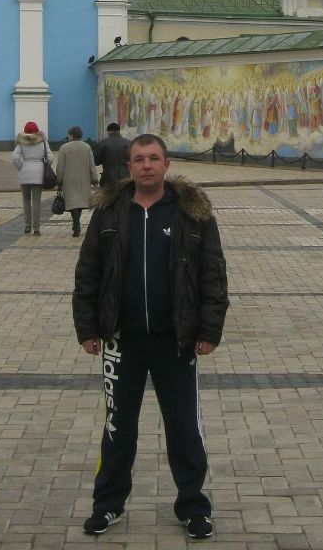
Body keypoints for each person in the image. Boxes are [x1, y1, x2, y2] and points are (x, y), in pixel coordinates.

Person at [73, 133, 229, 540]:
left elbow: (212, 275)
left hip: (175, 340)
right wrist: (88, 328)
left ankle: (193, 506)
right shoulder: (109, 213)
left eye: (153, 158)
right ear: (129, 167)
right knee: (117, 428)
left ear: (166, 164)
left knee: (183, 428)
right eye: (139, 159)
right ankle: (107, 504)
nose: (146, 165)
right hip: (122, 341)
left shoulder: (192, 214)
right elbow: (88, 272)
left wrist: (208, 331)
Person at [11, 121, 54, 236]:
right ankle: (36, 228)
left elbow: (15, 158)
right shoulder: (43, 142)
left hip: (25, 173)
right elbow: (50, 158)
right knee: (36, 201)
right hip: (39, 173)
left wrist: (21, 167)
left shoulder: (21, 143)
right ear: (37, 130)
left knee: (26, 200)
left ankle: (27, 225)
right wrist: (43, 164)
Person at [56, 126, 98, 238]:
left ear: (71, 135)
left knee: (72, 203)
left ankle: (76, 224)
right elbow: (91, 165)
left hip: (69, 179)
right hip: (84, 179)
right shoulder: (87, 147)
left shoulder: (64, 148)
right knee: (79, 202)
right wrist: (95, 179)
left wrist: (59, 180)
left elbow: (60, 166)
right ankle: (76, 223)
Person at [92, 122, 130, 189]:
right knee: (124, 196)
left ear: (109, 131)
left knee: (108, 197)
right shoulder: (128, 143)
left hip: (108, 176)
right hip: (125, 175)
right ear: (119, 131)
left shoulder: (102, 143)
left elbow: (96, 161)